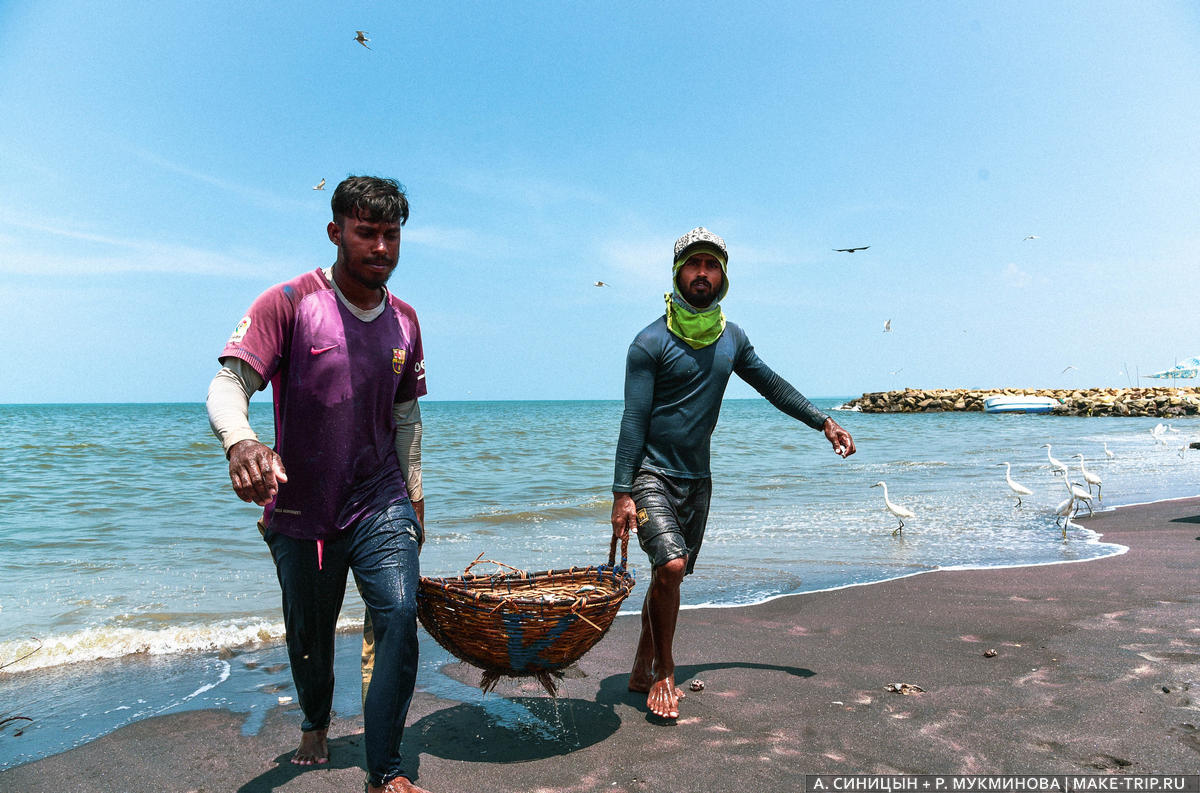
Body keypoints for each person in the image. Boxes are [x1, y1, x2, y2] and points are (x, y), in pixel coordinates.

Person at [206, 175, 432, 793]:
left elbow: (407, 416)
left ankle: (384, 767)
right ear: (336, 232)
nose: (380, 247)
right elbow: (228, 385)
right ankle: (314, 720)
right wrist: (242, 442)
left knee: (400, 611)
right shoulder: (289, 302)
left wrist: (414, 497)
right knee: (310, 632)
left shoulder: (407, 321)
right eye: (366, 233)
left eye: (391, 235)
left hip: (379, 497)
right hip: (301, 503)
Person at [609, 226, 855, 720]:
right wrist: (621, 492)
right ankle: (663, 672)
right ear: (677, 272)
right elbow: (633, 420)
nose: (703, 273)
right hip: (652, 474)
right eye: (694, 264)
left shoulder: (732, 338)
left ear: (723, 276)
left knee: (667, 575)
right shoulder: (649, 342)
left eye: (712, 265)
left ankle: (639, 664)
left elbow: (771, 384)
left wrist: (823, 421)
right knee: (671, 567)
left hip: (697, 480)